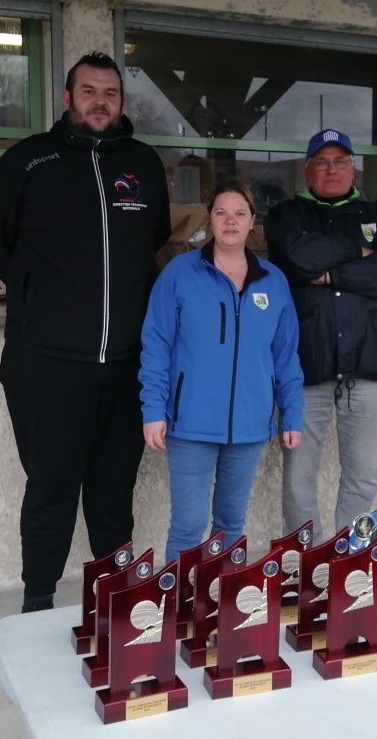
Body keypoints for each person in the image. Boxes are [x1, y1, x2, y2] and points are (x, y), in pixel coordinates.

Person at [0, 52, 171, 612]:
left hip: (126, 365)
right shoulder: (29, 160)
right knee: (51, 488)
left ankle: (117, 605)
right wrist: (40, 294)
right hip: (46, 363)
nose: (99, 102)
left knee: (113, 492)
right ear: (67, 98)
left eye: (109, 92)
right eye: (88, 91)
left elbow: (153, 238)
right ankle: (37, 600)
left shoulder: (142, 163)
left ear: (122, 102)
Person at [139, 182, 304, 564]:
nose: (230, 221)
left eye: (240, 213)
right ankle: (182, 600)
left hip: (248, 426)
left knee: (231, 523)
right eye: (221, 213)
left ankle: (224, 598)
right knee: (188, 526)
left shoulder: (273, 281)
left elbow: (285, 355)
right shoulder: (179, 274)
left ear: (252, 222)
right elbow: (157, 346)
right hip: (189, 424)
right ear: (210, 220)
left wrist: (292, 413)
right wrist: (153, 410)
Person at [264, 128, 377, 541]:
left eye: (340, 161)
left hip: (367, 363)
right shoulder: (287, 216)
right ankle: (305, 559)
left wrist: (329, 274)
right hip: (305, 366)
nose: (332, 170)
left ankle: (350, 559)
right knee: (298, 476)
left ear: (353, 168)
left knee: (362, 474)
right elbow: (298, 256)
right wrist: (358, 251)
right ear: (307, 169)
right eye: (322, 162)